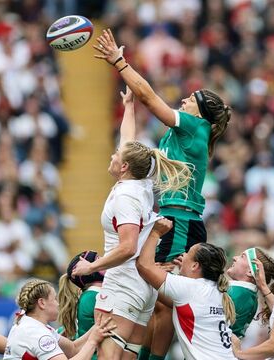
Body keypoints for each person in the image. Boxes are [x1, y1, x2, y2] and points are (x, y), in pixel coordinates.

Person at [94, 28, 232, 360]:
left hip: (180, 220)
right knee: (156, 298)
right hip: (171, 217)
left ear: (199, 112)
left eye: (190, 99)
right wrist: (128, 109)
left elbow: (149, 97)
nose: (184, 100)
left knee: (163, 300)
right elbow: (131, 149)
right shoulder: (177, 138)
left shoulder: (194, 128)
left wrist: (119, 62)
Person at [71, 87, 192, 360]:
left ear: (124, 166)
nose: (112, 156)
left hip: (122, 284)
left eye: (116, 156)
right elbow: (129, 140)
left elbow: (127, 247)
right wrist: (128, 106)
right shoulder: (142, 181)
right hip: (142, 288)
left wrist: (93, 266)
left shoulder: (126, 196)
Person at [136, 218, 236, 360]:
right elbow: (164, 297)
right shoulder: (216, 290)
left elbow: (143, 266)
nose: (182, 256)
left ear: (195, 266)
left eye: (188, 253)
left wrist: (155, 233)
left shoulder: (189, 288)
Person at [4, 278, 115, 360]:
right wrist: (93, 341)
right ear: (42, 303)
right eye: (55, 299)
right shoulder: (37, 333)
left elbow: (73, 348)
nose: (58, 304)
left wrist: (97, 327)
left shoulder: (31, 325)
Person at [226, 247, 274, 339]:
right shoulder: (248, 294)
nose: (234, 257)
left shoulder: (238, 293)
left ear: (250, 272)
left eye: (242, 257)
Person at [57, 251, 104, 342]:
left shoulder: (90, 294)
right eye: (98, 259)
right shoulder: (93, 296)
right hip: (97, 355)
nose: (104, 259)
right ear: (89, 273)